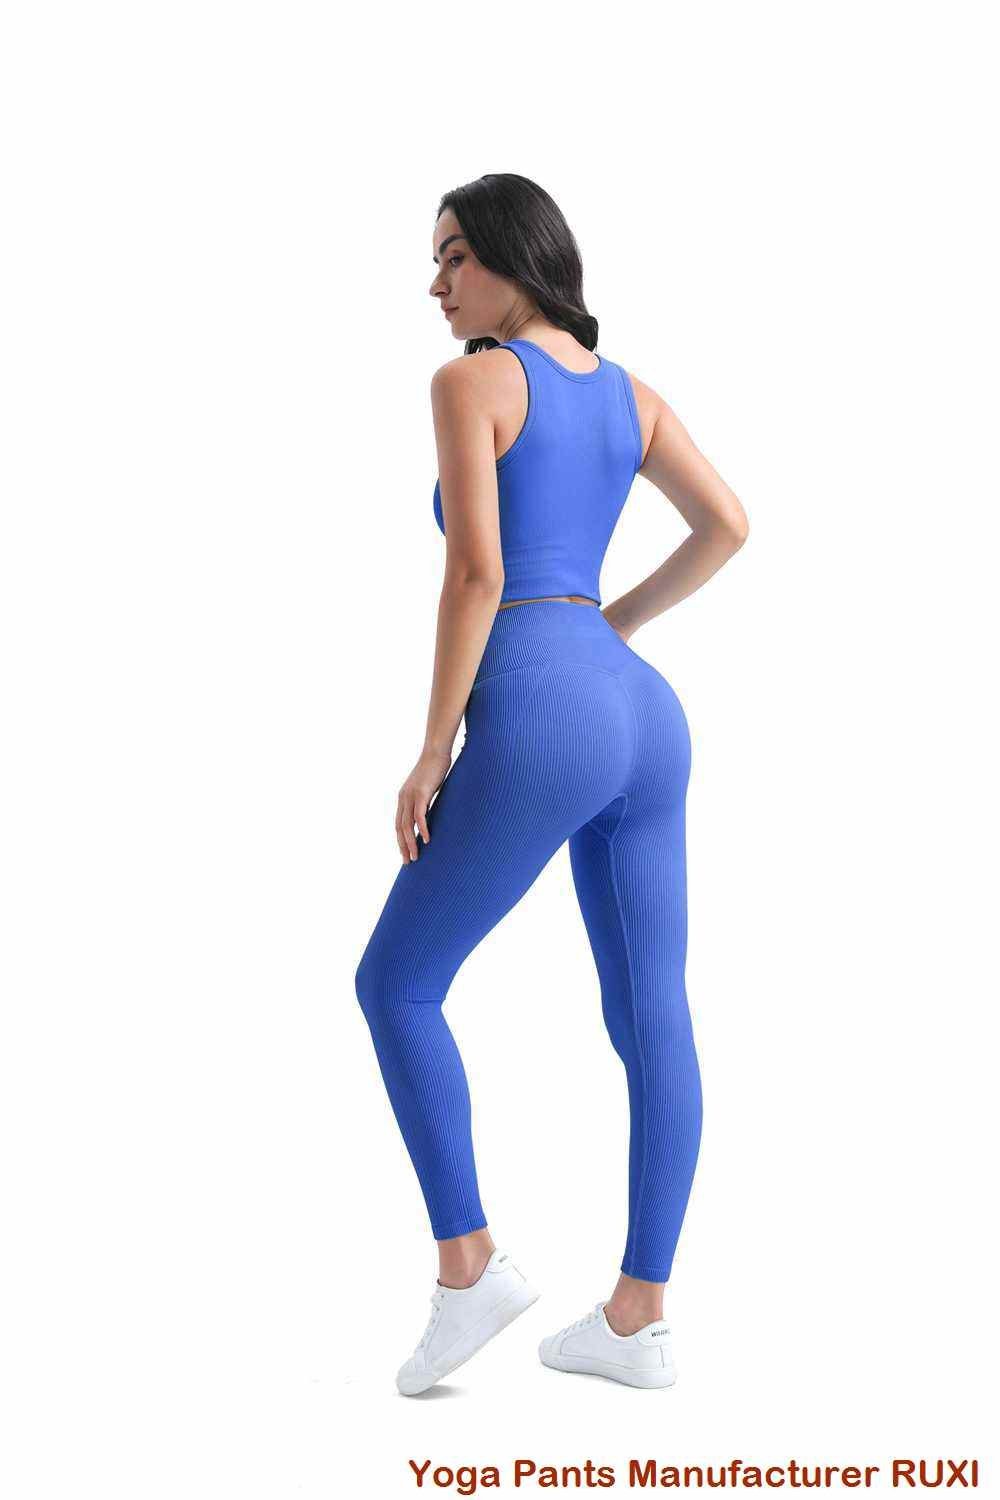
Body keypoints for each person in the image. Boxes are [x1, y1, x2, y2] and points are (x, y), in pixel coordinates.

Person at [355, 173, 749, 1394]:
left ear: (517, 258)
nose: (436, 282)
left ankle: (469, 1269)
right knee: (652, 1015)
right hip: (642, 717)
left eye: (454, 256)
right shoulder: (632, 396)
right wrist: (607, 629)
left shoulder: (470, 382)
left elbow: (478, 573)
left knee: (396, 984)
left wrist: (433, 749)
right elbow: (727, 524)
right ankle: (639, 1322)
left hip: (539, 706)